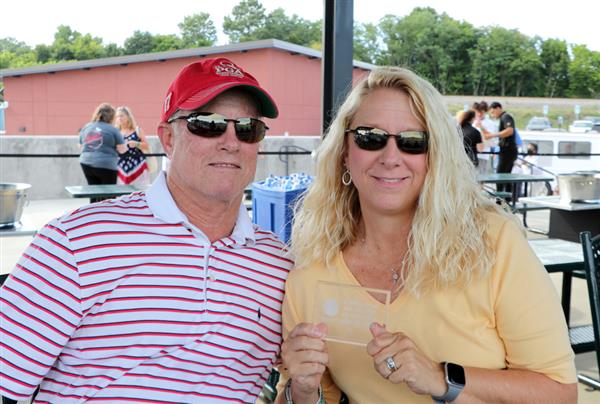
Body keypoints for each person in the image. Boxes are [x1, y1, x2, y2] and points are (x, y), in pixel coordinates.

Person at [0, 57, 293, 403]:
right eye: (207, 124)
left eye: (247, 128)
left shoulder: (277, 264)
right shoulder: (77, 242)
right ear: (168, 138)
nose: (230, 141)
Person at [276, 66, 576, 403]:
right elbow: (319, 395)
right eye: (370, 138)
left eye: (412, 142)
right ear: (345, 152)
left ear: (435, 157)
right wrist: (300, 391)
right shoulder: (310, 271)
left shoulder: (493, 242)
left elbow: (559, 392)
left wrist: (439, 377)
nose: (391, 158)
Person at [78, 103, 127, 201]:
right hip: (106, 165)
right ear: (112, 116)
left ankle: (94, 213)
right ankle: (108, 214)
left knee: (93, 193)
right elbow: (122, 149)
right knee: (109, 194)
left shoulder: (87, 127)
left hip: (86, 163)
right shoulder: (113, 129)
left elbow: (80, 145)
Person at [483, 101, 519, 194]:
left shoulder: (506, 117)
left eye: (493, 112)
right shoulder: (503, 118)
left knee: (500, 175)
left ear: (498, 108)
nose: (493, 114)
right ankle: (507, 199)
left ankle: (500, 200)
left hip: (508, 150)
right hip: (507, 150)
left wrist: (493, 135)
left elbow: (510, 130)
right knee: (506, 176)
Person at [115, 106, 152, 186]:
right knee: (122, 193)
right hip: (120, 167)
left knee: (140, 191)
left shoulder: (137, 130)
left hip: (139, 166)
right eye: (117, 116)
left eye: (121, 115)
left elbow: (146, 146)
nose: (119, 118)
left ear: (128, 117)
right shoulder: (116, 132)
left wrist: (136, 144)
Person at [472, 101, 497, 172]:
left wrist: (481, 127)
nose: (479, 114)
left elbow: (490, 136)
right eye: (478, 112)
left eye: (482, 112)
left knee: (481, 178)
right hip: (472, 154)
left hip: (483, 154)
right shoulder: (472, 122)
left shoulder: (490, 123)